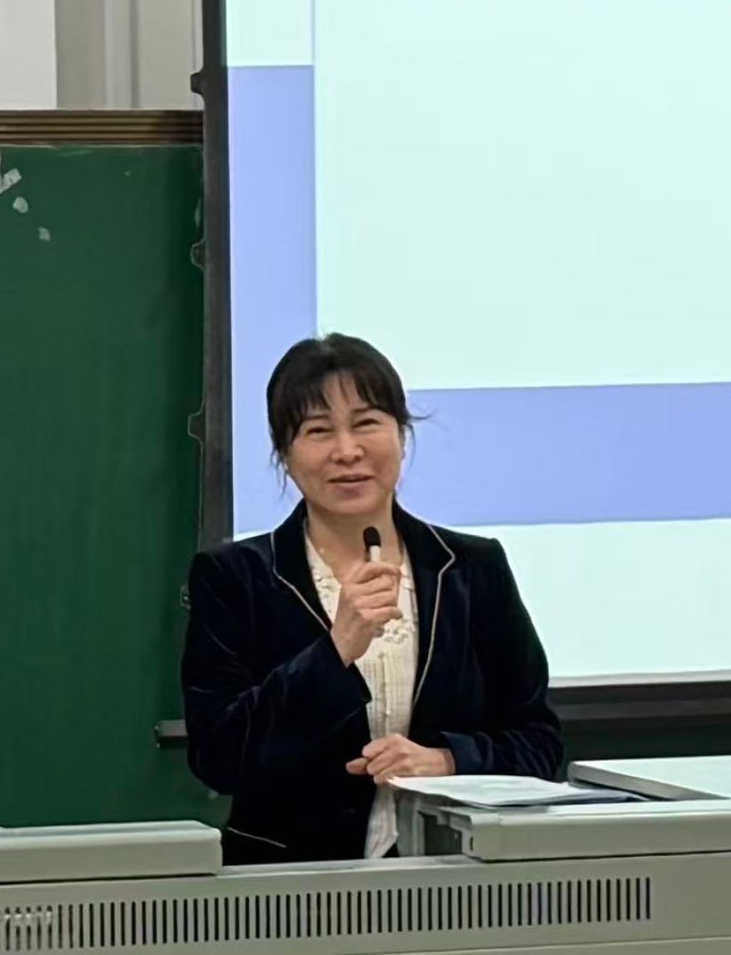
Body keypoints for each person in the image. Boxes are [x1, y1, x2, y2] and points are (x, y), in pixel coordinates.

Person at [180, 333, 563, 864]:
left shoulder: (472, 569)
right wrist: (334, 650)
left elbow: (540, 742)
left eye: (366, 423)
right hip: (290, 882)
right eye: (318, 431)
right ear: (284, 454)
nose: (347, 451)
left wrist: (449, 761)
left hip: (453, 874)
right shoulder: (234, 578)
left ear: (401, 435)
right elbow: (219, 757)